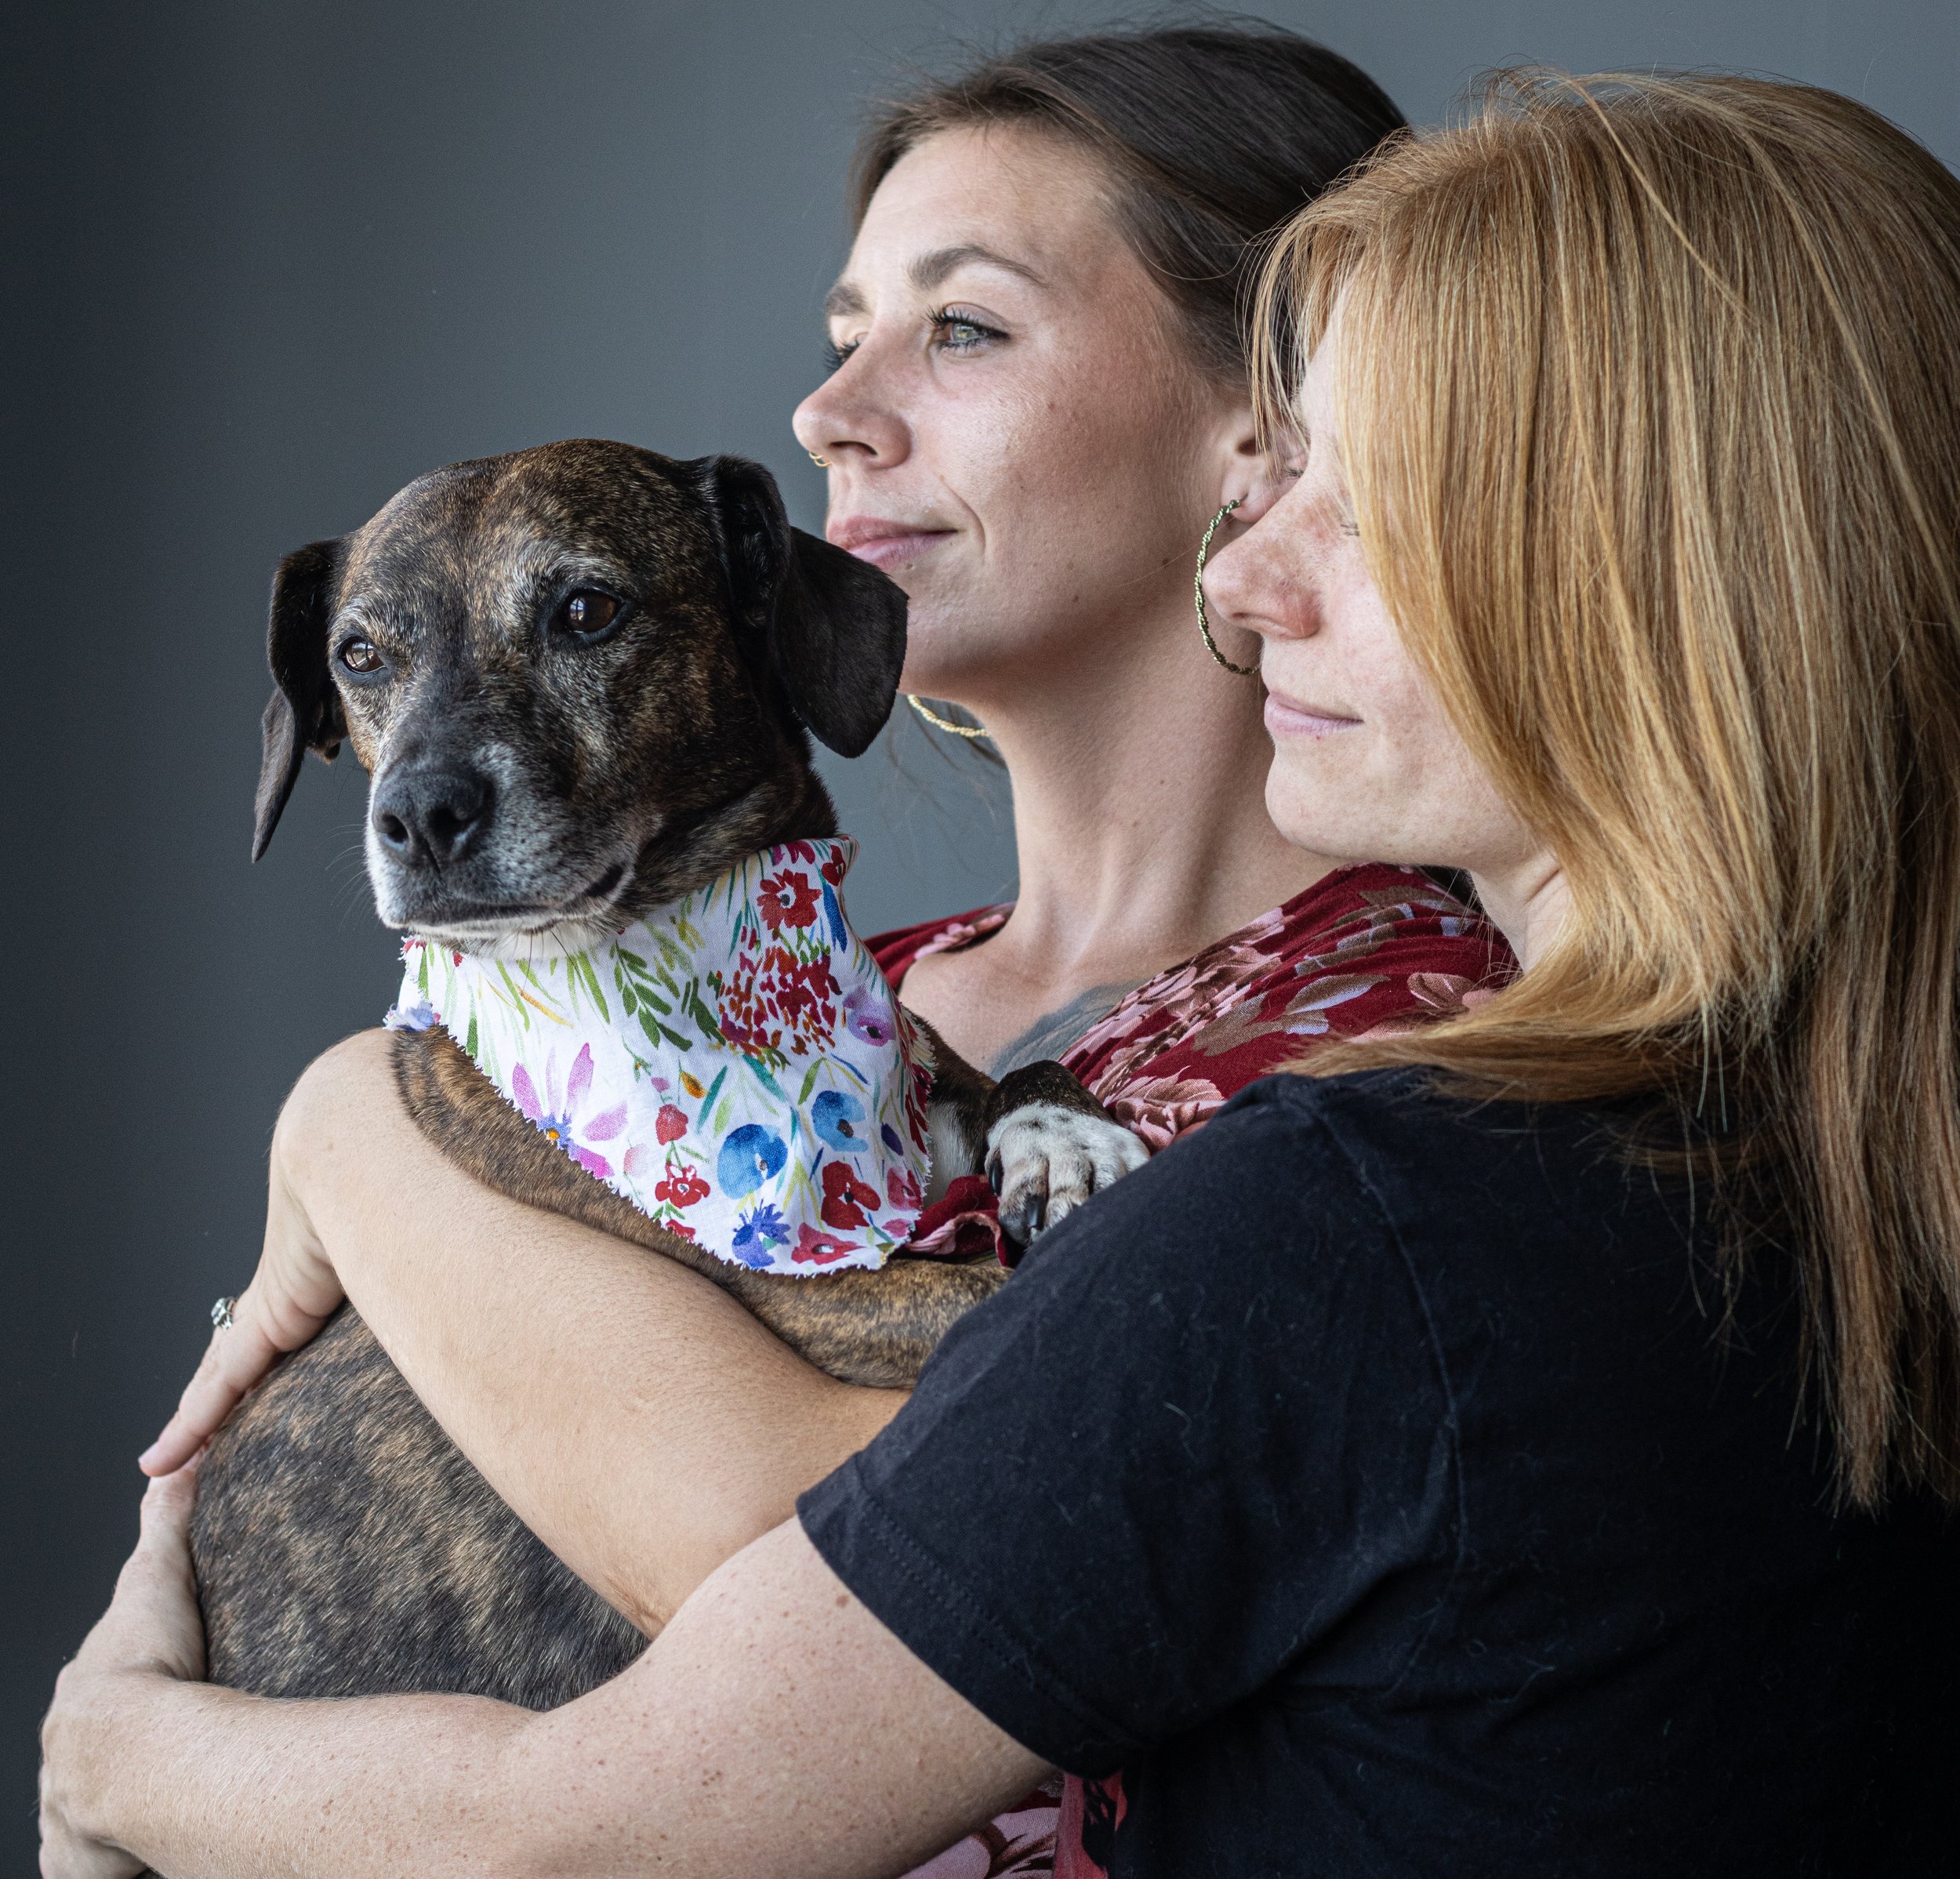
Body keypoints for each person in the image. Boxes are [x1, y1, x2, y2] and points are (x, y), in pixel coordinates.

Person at [43, 66, 1960, 1877]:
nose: (827, 417)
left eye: (963, 325)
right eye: (840, 329)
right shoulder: (832, 1013)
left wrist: (352, 1136)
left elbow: (780, 1611)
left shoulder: (1366, 1144)